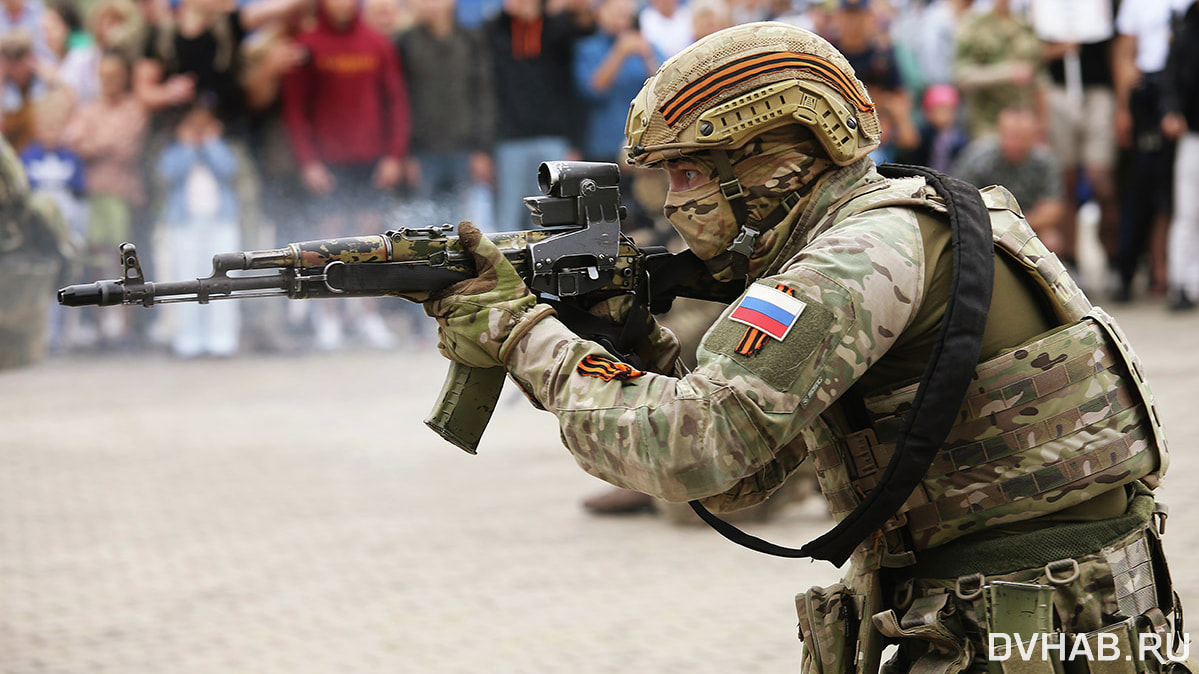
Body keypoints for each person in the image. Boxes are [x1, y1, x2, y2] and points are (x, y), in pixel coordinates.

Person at [423, 22, 1177, 671]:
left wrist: (517, 331)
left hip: (1025, 623)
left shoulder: (855, 258)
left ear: (769, 155)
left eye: (688, 172)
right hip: (1055, 613)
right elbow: (743, 472)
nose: (674, 200)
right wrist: (633, 341)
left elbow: (693, 448)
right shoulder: (903, 219)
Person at [156, 95, 241, 358]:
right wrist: (188, 146)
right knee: (187, 278)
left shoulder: (221, 148)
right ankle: (188, 337)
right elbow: (170, 174)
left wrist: (211, 142)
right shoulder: (175, 151)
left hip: (220, 223)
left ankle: (221, 337)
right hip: (185, 224)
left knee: (224, 278)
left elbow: (228, 169)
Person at [952, 105, 1066, 253]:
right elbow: (959, 197)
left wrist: (1016, 227)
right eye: (1011, 136)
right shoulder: (977, 157)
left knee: (1051, 240)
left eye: (1022, 138)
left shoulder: (1045, 162)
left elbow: (1053, 207)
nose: (1015, 144)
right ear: (1000, 133)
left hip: (1028, 226)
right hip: (984, 222)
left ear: (1034, 137)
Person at [1162, 0, 1199, 311]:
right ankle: (1182, 283)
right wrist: (1172, 110)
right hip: (1193, 136)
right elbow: (1171, 78)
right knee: (1188, 212)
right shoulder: (1186, 31)